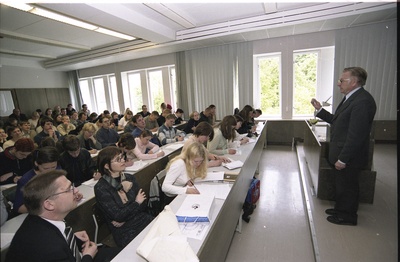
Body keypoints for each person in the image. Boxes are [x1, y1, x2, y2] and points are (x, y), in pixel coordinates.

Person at [5, 170, 119, 262]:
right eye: (69, 189)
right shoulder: (49, 248)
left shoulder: (41, 220)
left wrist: (69, 237)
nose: (76, 190)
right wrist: (87, 257)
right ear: (49, 204)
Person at [310, 67, 376, 226]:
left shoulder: (362, 102)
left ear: (353, 82)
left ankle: (347, 216)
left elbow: (356, 136)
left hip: (349, 157)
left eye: (342, 80)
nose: (339, 84)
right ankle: (340, 209)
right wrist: (319, 109)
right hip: (341, 152)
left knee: (348, 187)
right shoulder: (350, 98)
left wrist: (343, 159)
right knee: (342, 185)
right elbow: (337, 120)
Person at [94, 147, 153, 247]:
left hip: (141, 219)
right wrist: (136, 203)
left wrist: (124, 217)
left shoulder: (129, 178)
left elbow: (144, 203)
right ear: (107, 166)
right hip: (124, 230)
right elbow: (118, 215)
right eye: (118, 159)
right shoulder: (101, 188)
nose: (122, 160)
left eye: (121, 157)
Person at [13, 146, 60, 215]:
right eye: (46, 168)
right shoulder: (26, 180)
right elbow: (18, 208)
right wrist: (42, 206)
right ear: (36, 163)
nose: (51, 171)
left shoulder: (58, 170)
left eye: (53, 167)